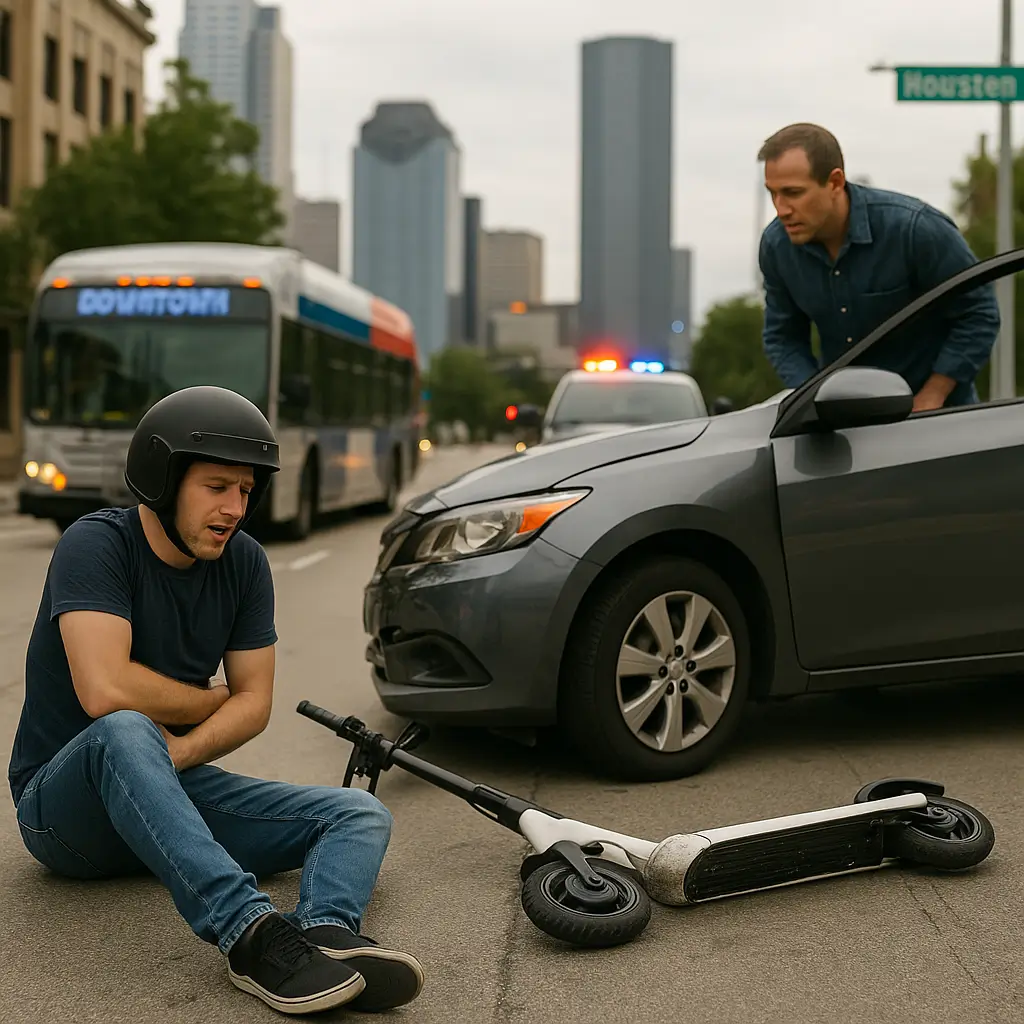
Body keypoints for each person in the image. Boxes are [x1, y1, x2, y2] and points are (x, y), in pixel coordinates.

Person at [7, 385, 424, 1017]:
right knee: (124, 729)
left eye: (247, 491)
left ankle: (324, 931)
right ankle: (253, 939)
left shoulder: (244, 563)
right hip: (64, 814)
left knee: (358, 813)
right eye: (217, 486)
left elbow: (254, 705)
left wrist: (165, 761)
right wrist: (210, 701)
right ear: (163, 479)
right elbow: (106, 689)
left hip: (167, 792)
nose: (235, 508)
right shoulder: (96, 546)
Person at [757, 122, 1000, 411]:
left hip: (937, 418)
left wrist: (933, 394)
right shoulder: (776, 247)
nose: (781, 208)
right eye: (773, 193)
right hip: (844, 428)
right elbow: (782, 337)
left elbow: (978, 313)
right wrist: (813, 400)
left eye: (793, 193)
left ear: (835, 182)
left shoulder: (915, 230)